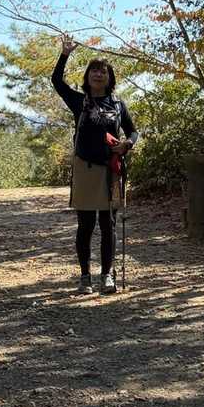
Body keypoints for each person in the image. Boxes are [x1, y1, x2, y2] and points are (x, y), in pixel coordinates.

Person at [52, 34, 137, 295]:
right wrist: (65, 54)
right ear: (87, 77)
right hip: (85, 168)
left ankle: (107, 276)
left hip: (111, 169)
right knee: (86, 224)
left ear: (110, 78)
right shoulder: (79, 101)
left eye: (103, 72)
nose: (98, 75)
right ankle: (85, 277)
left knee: (108, 223)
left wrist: (127, 144)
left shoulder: (118, 105)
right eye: (94, 71)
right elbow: (57, 82)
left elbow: (133, 131)